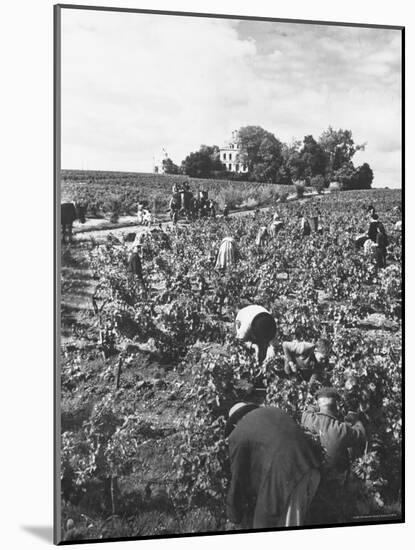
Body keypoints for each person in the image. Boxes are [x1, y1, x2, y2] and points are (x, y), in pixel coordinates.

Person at [226, 403, 321, 529]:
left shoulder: (238, 433)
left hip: (288, 477)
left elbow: (237, 478)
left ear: (235, 423)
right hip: (311, 468)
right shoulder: (274, 412)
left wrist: (233, 516)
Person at [301, 388, 367, 523]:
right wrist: (354, 418)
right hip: (333, 488)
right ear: (336, 407)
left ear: (319, 405)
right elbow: (360, 434)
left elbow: (307, 411)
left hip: (310, 488)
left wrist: (316, 405)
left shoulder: (308, 420)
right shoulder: (342, 429)